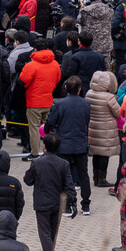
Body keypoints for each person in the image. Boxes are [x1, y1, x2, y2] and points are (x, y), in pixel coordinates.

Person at [23, 132, 76, 251]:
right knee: (52, 233)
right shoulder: (63, 164)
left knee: (45, 233)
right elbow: (69, 184)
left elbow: (28, 181)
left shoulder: (37, 162)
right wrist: (73, 202)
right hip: (58, 204)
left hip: (42, 204)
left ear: (44, 146)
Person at [46, 75, 92, 214]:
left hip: (64, 144)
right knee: (83, 175)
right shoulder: (86, 104)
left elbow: (51, 122)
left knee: (63, 176)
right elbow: (86, 121)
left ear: (65, 88)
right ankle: (86, 205)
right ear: (79, 89)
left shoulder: (59, 104)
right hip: (81, 144)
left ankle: (66, 205)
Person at [20, 42, 61, 157]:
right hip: (48, 100)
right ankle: (51, 150)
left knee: (34, 129)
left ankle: (34, 153)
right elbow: (57, 80)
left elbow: (23, 81)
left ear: (35, 50)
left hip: (34, 102)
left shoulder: (31, 66)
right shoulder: (55, 64)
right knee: (49, 128)